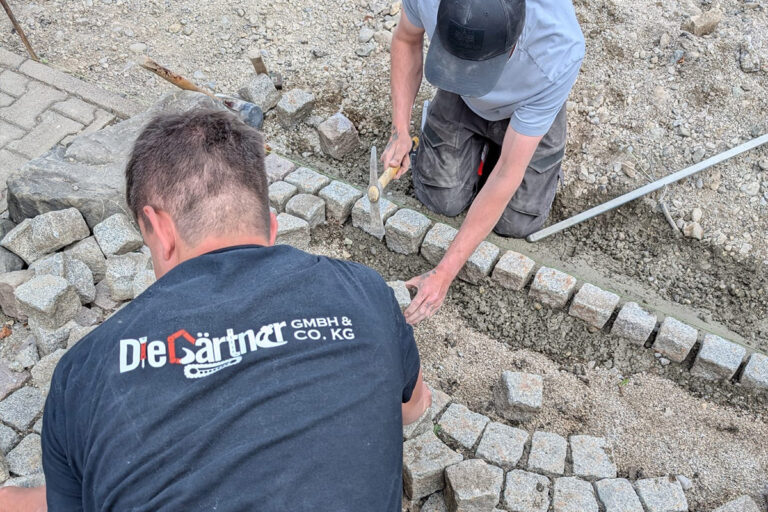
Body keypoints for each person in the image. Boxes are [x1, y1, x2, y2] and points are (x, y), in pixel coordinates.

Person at [0, 109, 430, 512]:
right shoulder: (365, 292)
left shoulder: (84, 372)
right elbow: (413, 409)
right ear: (272, 226)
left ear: (161, 230)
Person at [382, 0, 585, 324]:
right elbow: (407, 40)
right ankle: (461, 132)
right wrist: (400, 130)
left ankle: (514, 156)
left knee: (517, 222)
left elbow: (507, 174)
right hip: (458, 94)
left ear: (513, 45)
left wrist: (443, 275)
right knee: (440, 198)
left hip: (527, 107)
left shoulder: (557, 53)